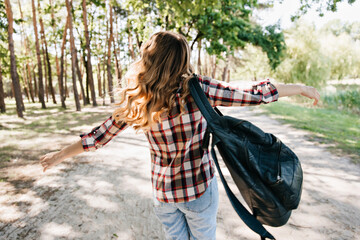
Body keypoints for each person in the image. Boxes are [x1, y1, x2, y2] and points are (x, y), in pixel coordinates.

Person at [40, 31, 320, 239]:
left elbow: (98, 137)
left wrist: (59, 155)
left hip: (164, 195)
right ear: (182, 60)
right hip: (199, 191)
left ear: (148, 59)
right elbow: (251, 94)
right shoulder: (199, 89)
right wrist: (300, 88)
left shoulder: (139, 99)